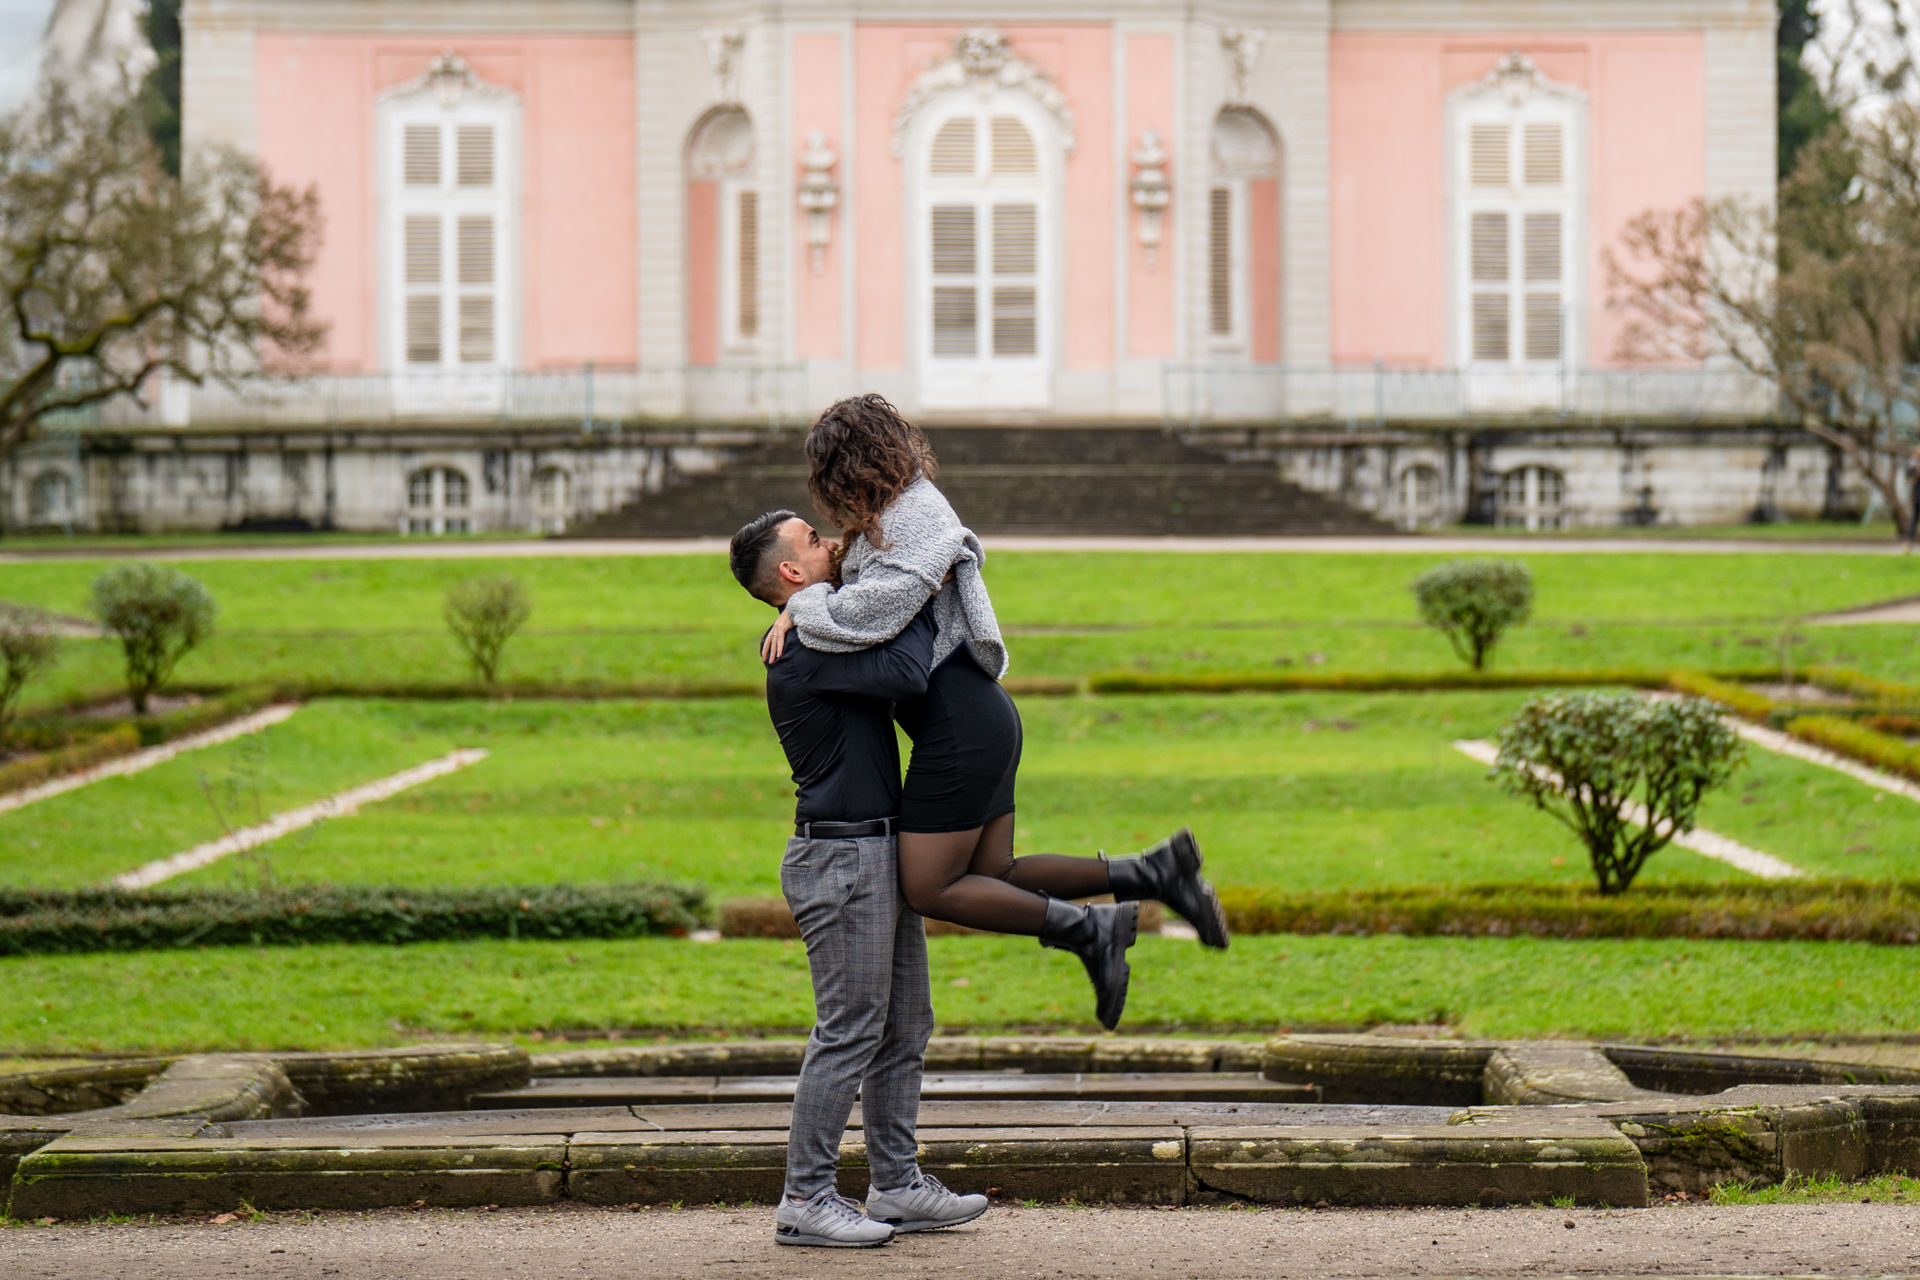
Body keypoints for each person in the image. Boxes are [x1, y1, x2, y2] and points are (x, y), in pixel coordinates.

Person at [762, 394, 1229, 1033]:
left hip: (959, 723)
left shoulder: (916, 516)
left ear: (848, 463)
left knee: (927, 887)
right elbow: (854, 580)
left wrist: (805, 604)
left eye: (827, 475)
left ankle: (1092, 931)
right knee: (992, 874)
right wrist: (803, 597)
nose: (828, 497)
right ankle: (1154, 872)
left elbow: (881, 610)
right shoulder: (892, 513)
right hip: (974, 717)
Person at [729, 508, 990, 1249]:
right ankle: (805, 1198)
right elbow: (907, 670)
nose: (832, 543)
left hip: (877, 850)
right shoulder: (803, 646)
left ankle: (898, 1185)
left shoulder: (815, 623)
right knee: (848, 1031)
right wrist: (915, 582)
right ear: (789, 572)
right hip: (839, 861)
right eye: (814, 540)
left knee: (906, 1025)